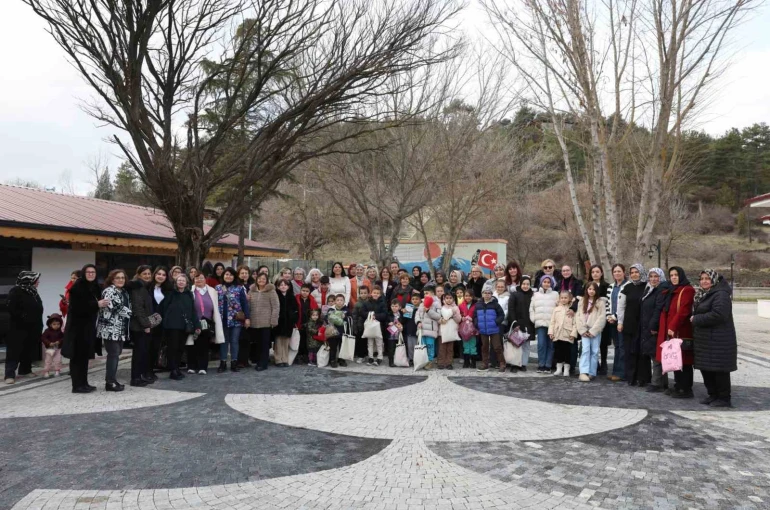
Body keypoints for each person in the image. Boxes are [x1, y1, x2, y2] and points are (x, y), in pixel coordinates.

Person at [692, 269, 737, 407]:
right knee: (707, 369)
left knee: (719, 370)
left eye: (707, 278)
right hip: (705, 340)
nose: (704, 281)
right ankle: (713, 395)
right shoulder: (704, 294)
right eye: (702, 279)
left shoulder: (721, 294)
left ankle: (724, 398)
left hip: (719, 341)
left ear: (714, 280)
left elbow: (719, 315)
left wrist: (696, 319)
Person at [62, 264, 106, 393]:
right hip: (77, 328)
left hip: (88, 327)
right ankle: (77, 385)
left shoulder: (95, 286)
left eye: (93, 272)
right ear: (83, 273)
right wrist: (96, 304)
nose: (91, 274)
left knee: (84, 356)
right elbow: (77, 307)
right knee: (77, 357)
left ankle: (84, 383)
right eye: (88, 272)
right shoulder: (77, 287)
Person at [657, 267, 696, 398]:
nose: (674, 277)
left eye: (676, 275)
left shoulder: (687, 290)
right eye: (671, 275)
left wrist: (673, 326)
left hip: (681, 330)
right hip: (672, 331)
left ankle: (686, 389)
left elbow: (684, 311)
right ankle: (678, 385)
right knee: (675, 359)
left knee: (684, 361)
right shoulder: (672, 290)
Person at [4, 271, 44, 384]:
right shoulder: (16, 291)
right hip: (18, 328)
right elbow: (11, 308)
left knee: (28, 349)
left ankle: (25, 370)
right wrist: (24, 317)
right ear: (29, 280)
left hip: (33, 328)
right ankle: (9, 374)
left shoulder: (33, 292)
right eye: (36, 280)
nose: (38, 282)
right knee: (14, 351)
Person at [96, 269, 132, 391]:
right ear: (112, 280)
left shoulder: (123, 291)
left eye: (122, 277)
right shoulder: (109, 291)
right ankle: (110, 383)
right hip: (109, 329)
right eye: (117, 278)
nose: (121, 280)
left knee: (116, 354)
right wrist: (135, 315)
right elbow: (116, 307)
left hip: (120, 329)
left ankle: (112, 380)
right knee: (113, 354)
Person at [160, 274, 201, 381]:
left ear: (186, 283)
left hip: (184, 326)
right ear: (176, 282)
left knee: (180, 348)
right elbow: (164, 308)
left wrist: (197, 325)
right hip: (172, 325)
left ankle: (177, 368)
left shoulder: (189, 294)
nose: (181, 282)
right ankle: (173, 370)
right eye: (179, 280)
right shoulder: (170, 293)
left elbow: (193, 311)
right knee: (172, 348)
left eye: (183, 280)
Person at [617, 264, 649, 386]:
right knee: (630, 350)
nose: (634, 274)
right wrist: (620, 322)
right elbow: (621, 306)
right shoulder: (627, 287)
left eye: (637, 272)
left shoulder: (647, 286)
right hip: (629, 323)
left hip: (643, 324)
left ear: (641, 272)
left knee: (642, 352)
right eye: (632, 272)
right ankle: (631, 377)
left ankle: (642, 378)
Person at [190, 273, 225, 374]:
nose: (199, 280)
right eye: (197, 278)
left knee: (204, 344)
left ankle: (203, 367)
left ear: (205, 279)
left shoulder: (212, 291)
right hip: (194, 321)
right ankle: (192, 366)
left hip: (207, 321)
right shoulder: (190, 291)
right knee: (192, 344)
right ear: (194, 280)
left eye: (201, 278)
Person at [127, 265, 156, 387]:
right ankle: (135, 378)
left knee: (143, 352)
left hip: (143, 324)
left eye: (149, 273)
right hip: (139, 326)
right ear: (139, 275)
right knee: (138, 353)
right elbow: (138, 308)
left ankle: (139, 376)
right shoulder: (137, 287)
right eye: (144, 274)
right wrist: (146, 325)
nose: (147, 276)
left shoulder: (145, 286)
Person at [217, 267, 250, 372]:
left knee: (234, 341)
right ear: (223, 276)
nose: (228, 276)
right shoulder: (218, 288)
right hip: (222, 319)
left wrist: (247, 318)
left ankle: (234, 362)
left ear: (234, 276)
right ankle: (223, 363)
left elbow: (244, 304)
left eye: (231, 275)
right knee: (224, 341)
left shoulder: (239, 288)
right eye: (226, 274)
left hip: (236, 319)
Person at [641, 268, 668, 393]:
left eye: (656, 276)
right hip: (648, 325)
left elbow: (658, 309)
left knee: (656, 355)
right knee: (654, 354)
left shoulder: (661, 290)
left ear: (661, 277)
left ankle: (656, 383)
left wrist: (653, 326)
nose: (653, 279)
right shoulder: (650, 289)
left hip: (655, 327)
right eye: (651, 276)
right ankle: (662, 382)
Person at [575, 282, 608, 382]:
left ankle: (592, 372)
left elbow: (602, 317)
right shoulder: (582, 301)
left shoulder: (600, 302)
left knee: (594, 351)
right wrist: (582, 330)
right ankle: (583, 371)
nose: (591, 291)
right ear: (586, 290)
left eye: (593, 289)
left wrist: (593, 331)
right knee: (585, 350)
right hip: (584, 330)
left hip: (595, 331)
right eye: (589, 289)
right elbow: (578, 316)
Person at [247, 273, 279, 371]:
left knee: (265, 344)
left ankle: (263, 363)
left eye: (264, 279)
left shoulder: (271, 291)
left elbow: (276, 306)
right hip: (254, 322)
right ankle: (258, 361)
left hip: (266, 322)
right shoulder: (251, 291)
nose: (261, 280)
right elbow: (248, 305)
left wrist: (273, 320)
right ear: (256, 279)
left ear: (267, 280)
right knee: (257, 343)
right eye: (259, 278)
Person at [530, 275, 558, 373]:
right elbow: (531, 308)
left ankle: (548, 365)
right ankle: (541, 364)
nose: (546, 284)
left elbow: (558, 307)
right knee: (541, 344)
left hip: (552, 324)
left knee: (551, 345)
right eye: (544, 282)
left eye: (548, 282)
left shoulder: (555, 294)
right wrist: (534, 319)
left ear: (551, 284)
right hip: (540, 323)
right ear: (541, 283)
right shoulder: (536, 294)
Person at [473, 287, 505, 372]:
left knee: (497, 347)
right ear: (482, 294)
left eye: (489, 293)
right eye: (485, 293)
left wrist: (496, 322)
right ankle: (485, 364)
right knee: (484, 347)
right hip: (483, 329)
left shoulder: (495, 304)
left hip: (494, 329)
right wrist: (477, 324)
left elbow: (501, 315)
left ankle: (502, 363)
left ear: (491, 294)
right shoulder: (478, 305)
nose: (487, 295)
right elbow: (475, 316)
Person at [586, 265, 610, 375]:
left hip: (602, 317)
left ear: (601, 273)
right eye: (593, 272)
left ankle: (604, 362)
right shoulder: (587, 285)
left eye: (597, 272)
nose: (595, 274)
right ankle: (594, 364)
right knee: (590, 343)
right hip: (589, 317)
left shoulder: (607, 286)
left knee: (603, 343)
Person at [507, 276, 535, 372]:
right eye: (524, 284)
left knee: (526, 345)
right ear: (520, 284)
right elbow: (511, 309)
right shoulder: (515, 295)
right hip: (517, 323)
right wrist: (514, 322)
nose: (525, 286)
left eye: (527, 284)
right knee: (516, 344)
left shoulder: (533, 295)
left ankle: (523, 364)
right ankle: (515, 364)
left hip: (529, 324)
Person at [606, 264, 629, 382]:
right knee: (617, 346)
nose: (617, 273)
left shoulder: (628, 286)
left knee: (622, 346)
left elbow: (626, 305)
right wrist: (608, 316)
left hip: (622, 321)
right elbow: (608, 304)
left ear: (624, 272)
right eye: (615, 271)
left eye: (619, 271)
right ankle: (615, 371)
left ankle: (622, 373)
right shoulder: (611, 286)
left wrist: (615, 317)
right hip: (612, 321)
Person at [147, 266, 170, 379]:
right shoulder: (148, 287)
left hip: (161, 323)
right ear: (154, 274)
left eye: (163, 275)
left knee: (155, 347)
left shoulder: (167, 289)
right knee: (146, 347)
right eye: (159, 274)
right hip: (148, 322)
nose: (161, 276)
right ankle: (144, 370)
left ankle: (150, 370)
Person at [549, 291, 576, 376]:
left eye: (565, 298)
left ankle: (567, 369)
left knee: (567, 352)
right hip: (557, 333)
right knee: (558, 352)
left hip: (568, 334)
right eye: (562, 298)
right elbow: (552, 322)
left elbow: (575, 323)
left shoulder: (572, 310)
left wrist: (573, 333)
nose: (563, 299)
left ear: (569, 299)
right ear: (559, 298)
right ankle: (559, 368)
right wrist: (551, 332)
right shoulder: (556, 309)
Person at [274, 279, 298, 367]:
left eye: (285, 285)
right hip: (279, 322)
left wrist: (293, 319)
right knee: (278, 341)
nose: (283, 286)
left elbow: (295, 309)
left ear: (288, 287)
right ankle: (278, 360)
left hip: (289, 322)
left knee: (286, 341)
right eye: (281, 285)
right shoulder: (276, 296)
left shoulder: (291, 297)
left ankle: (284, 359)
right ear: (278, 287)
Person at [416, 286, 441, 367]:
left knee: (430, 346)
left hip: (431, 330)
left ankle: (430, 361)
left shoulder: (437, 304)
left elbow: (438, 316)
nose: (425, 295)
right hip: (422, 329)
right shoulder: (421, 303)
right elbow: (417, 314)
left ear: (432, 294)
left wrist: (428, 310)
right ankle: (423, 360)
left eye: (427, 293)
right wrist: (418, 322)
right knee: (423, 346)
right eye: (424, 293)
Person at [364, 285, 387, 366]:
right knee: (370, 342)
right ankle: (370, 357)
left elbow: (384, 314)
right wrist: (370, 315)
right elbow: (363, 312)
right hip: (369, 325)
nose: (376, 294)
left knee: (379, 342)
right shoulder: (367, 303)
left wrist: (375, 316)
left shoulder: (383, 303)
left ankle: (379, 357)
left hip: (379, 326)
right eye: (374, 292)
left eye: (377, 293)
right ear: (371, 293)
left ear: (380, 294)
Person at [296, 283, 319, 364]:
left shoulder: (312, 300)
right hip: (299, 323)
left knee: (307, 340)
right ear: (300, 290)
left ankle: (306, 355)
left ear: (309, 292)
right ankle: (299, 355)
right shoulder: (296, 299)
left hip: (308, 324)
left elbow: (315, 311)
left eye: (307, 291)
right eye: (303, 290)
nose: (305, 292)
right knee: (300, 340)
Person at [438, 293, 461, 370]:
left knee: (450, 349)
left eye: (450, 298)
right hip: (442, 331)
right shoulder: (441, 307)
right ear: (444, 299)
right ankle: (441, 363)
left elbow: (459, 320)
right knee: (442, 348)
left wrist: (454, 314)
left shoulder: (455, 308)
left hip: (451, 331)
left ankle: (449, 363)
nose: (449, 300)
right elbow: (437, 318)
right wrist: (441, 320)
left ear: (453, 299)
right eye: (447, 298)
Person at [326, 294, 347, 368]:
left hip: (343, 331)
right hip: (333, 332)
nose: (339, 302)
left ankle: (341, 360)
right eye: (337, 300)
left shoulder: (346, 310)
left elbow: (349, 318)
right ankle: (332, 360)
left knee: (342, 347)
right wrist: (332, 318)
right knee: (333, 347)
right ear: (335, 301)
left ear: (344, 301)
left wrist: (345, 317)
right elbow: (327, 318)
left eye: (341, 300)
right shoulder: (331, 309)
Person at [41, 313, 64, 378]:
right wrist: (49, 343)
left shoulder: (60, 331)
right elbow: (43, 338)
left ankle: (57, 370)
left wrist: (59, 341)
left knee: (58, 360)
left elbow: (63, 338)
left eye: (58, 324)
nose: (56, 326)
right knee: (48, 360)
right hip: (50, 348)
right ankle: (46, 371)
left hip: (58, 348)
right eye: (54, 324)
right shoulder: (47, 331)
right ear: (50, 324)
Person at [402, 291, 422, 366]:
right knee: (410, 346)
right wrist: (404, 313)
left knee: (417, 345)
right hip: (409, 330)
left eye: (416, 299)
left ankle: (417, 359)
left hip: (418, 330)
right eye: (413, 299)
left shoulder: (421, 308)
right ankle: (411, 359)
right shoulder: (409, 308)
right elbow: (404, 320)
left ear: (420, 300)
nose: (415, 300)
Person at [459, 290, 478, 368]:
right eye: (466, 296)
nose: (468, 297)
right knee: (465, 344)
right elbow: (458, 315)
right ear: (464, 296)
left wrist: (472, 319)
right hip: (464, 328)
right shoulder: (461, 305)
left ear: (473, 297)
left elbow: (477, 315)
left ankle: (473, 362)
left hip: (473, 328)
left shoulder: (476, 305)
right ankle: (466, 362)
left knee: (473, 344)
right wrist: (461, 318)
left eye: (470, 296)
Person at [385, 299, 404, 367]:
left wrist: (402, 327)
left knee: (398, 348)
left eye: (396, 306)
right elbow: (384, 322)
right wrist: (388, 323)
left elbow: (404, 322)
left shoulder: (401, 315)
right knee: (391, 348)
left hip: (399, 334)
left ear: (399, 307)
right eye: (392, 306)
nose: (394, 308)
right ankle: (391, 361)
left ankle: (398, 360)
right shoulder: (388, 314)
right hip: (391, 335)